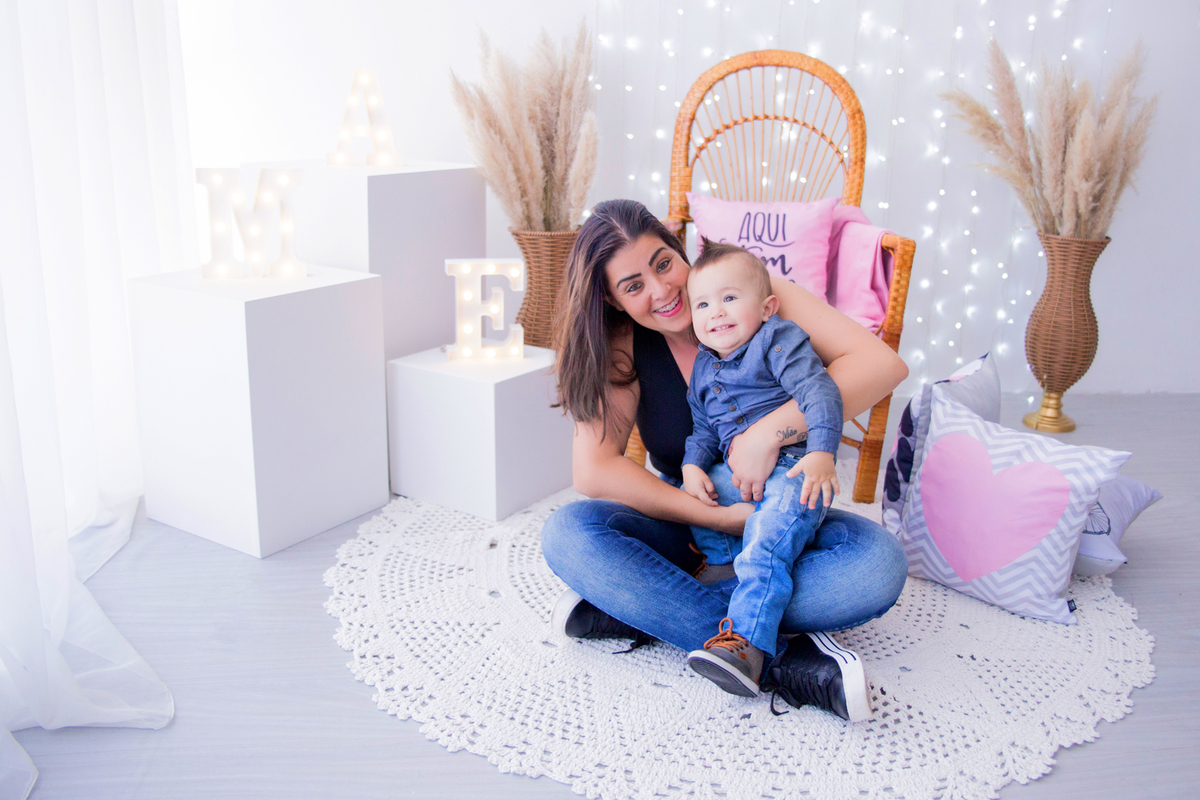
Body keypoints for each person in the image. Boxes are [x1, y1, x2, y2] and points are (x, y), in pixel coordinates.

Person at [541, 199, 908, 722]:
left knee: (876, 566)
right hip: (695, 527)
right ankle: (783, 660)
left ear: (680, 251)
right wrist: (713, 517)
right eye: (633, 285)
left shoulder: (754, 294)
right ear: (614, 300)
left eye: (664, 264)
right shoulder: (620, 345)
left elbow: (882, 364)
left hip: (783, 511)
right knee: (568, 533)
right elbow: (594, 470)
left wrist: (767, 434)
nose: (662, 290)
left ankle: (638, 607)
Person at [680, 240, 848, 709]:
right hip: (737, 478)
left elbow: (821, 394)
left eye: (730, 298)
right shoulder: (703, 366)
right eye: (704, 304)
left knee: (771, 533)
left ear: (767, 307)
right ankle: (723, 574)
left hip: (795, 470)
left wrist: (821, 453)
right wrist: (693, 466)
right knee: (690, 493)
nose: (717, 312)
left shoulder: (777, 339)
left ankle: (748, 647)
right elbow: (703, 428)